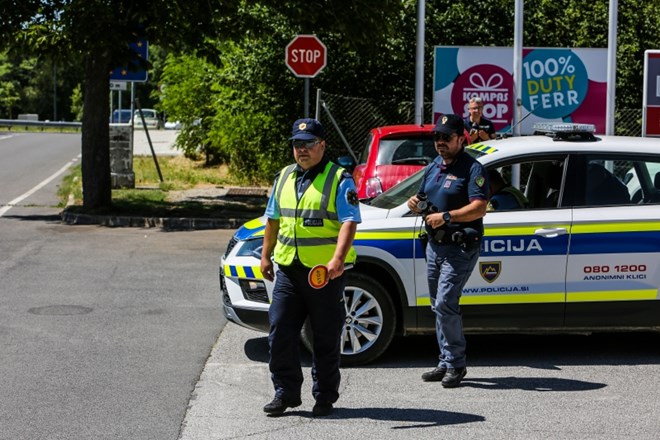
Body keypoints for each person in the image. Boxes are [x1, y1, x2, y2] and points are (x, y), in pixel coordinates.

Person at [260, 118, 361, 417]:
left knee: (325, 336)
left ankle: (325, 396)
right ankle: (286, 391)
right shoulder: (283, 177)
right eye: (297, 144)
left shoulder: (339, 178)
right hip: (289, 269)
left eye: (308, 144)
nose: (301, 149)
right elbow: (273, 219)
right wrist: (266, 256)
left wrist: (338, 259)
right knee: (279, 331)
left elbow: (349, 221)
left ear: (322, 145)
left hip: (324, 273)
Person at [407, 114, 488, 388]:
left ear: (460, 139)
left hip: (460, 246)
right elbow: (422, 197)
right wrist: (414, 203)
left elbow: (479, 207)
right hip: (435, 245)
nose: (440, 142)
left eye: (446, 137)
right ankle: (445, 360)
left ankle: (456, 364)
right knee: (437, 306)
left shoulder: (472, 168)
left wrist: (447, 217)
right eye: (437, 137)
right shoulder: (434, 167)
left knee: (445, 304)